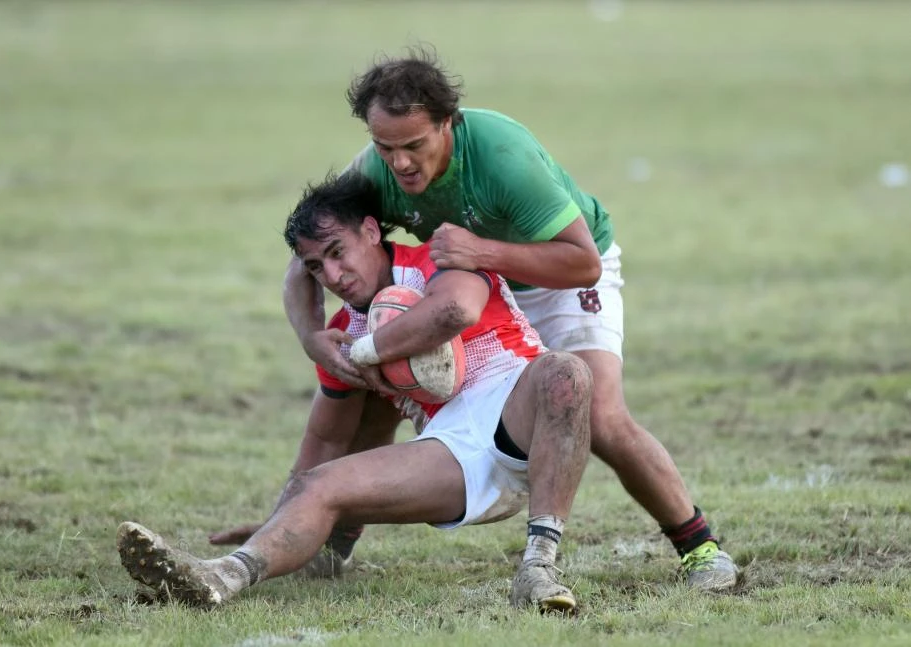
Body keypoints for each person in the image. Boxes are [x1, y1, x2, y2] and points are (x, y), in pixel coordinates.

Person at [214, 48, 738, 591]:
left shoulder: (501, 156)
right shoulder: (375, 170)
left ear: (448, 124)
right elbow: (307, 254)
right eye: (384, 146)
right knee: (377, 383)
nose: (399, 164)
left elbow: (582, 262)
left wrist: (483, 253)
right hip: (472, 279)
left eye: (414, 145)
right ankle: (333, 540)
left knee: (599, 415)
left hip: (561, 275)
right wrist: (311, 339)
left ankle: (698, 548)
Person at [118, 172, 594, 611]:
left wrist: (367, 353)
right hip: (449, 452)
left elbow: (454, 312)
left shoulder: (435, 259)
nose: (332, 275)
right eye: (315, 266)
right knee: (318, 486)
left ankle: (538, 569)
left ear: (370, 231)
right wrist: (281, 519)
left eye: (336, 251)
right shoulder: (341, 332)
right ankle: (219, 578)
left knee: (565, 372)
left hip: (521, 416)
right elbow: (325, 441)